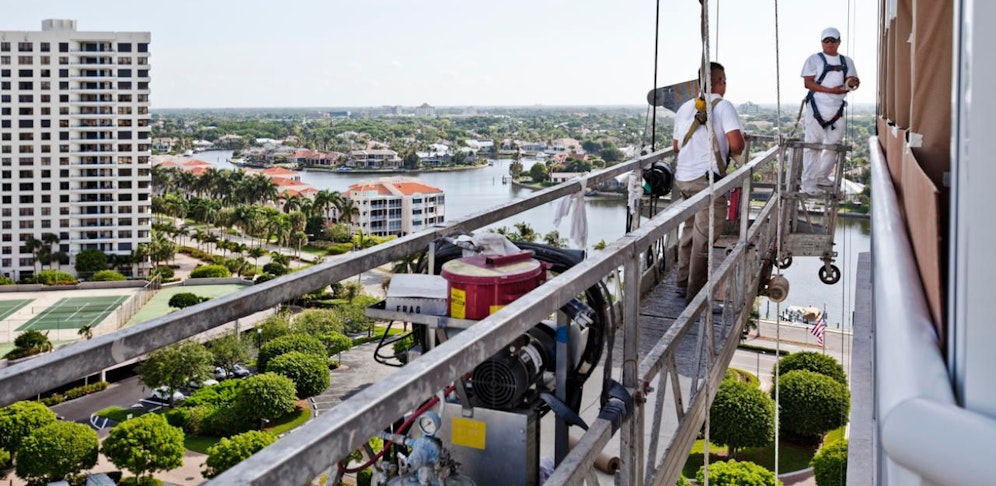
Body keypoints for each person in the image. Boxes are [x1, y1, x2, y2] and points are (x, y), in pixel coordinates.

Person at [672, 62, 745, 304]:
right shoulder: (723, 107)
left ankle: (682, 285)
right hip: (706, 181)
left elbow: (675, 146)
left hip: (684, 179)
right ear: (721, 81)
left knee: (691, 231)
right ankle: (695, 298)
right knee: (704, 240)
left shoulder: (685, 107)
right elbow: (736, 145)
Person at [800, 27, 860, 196]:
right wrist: (830, 90)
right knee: (813, 145)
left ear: (839, 42)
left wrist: (852, 83)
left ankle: (821, 176)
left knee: (833, 145)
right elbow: (808, 83)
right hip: (817, 107)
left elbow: (851, 80)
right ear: (821, 42)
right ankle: (808, 182)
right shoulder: (814, 60)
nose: (830, 44)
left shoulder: (846, 61)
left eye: (833, 40)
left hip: (837, 109)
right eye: (826, 40)